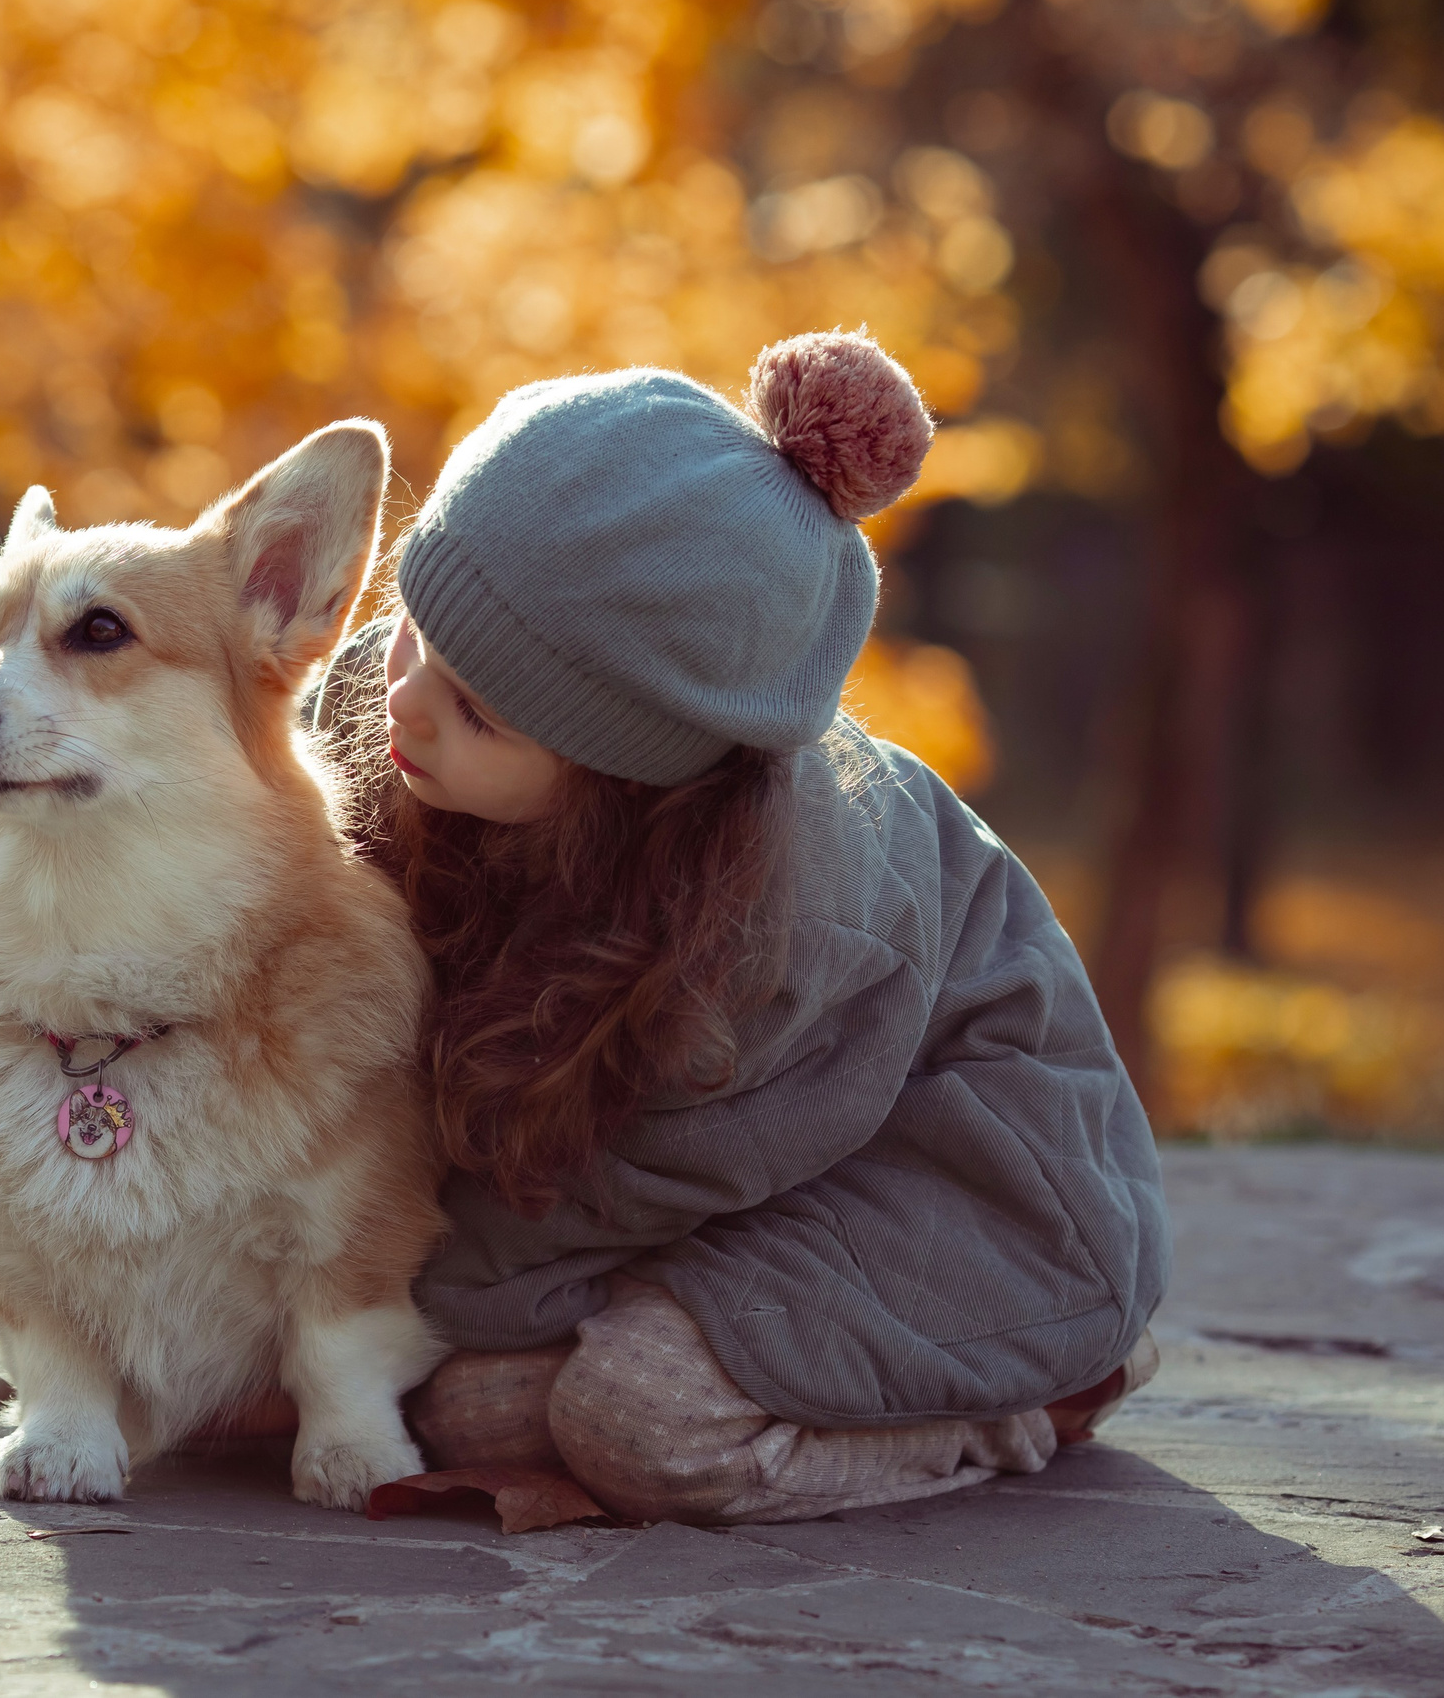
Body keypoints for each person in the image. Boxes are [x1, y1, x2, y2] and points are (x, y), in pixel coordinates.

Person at [307, 332, 1166, 1525]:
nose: (398, 701)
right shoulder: (414, 704)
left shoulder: (764, 946)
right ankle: (724, 1364)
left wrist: (313, 1312)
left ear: (617, 777)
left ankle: (1020, 1394)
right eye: (413, 624)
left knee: (635, 1423)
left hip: (958, 1187)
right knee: (465, 1406)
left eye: (477, 709)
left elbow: (608, 1192)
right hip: (706, 1209)